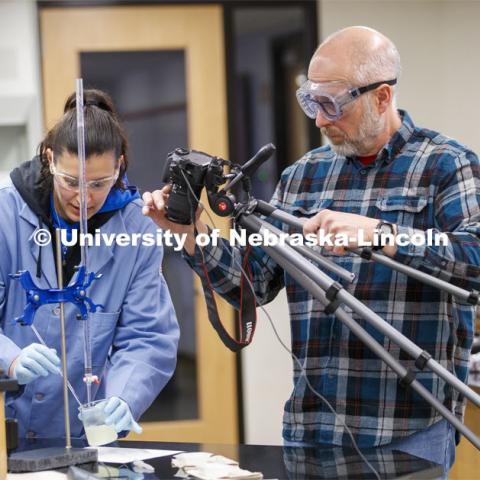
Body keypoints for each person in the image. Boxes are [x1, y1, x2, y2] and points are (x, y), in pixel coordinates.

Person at [142, 26, 480, 477]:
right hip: (312, 435)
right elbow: (253, 282)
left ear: (381, 97)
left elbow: (473, 256)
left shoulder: (444, 165)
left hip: (405, 435)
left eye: (332, 104)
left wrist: (383, 234)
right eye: (311, 102)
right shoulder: (303, 176)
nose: (319, 121)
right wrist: (191, 231)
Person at [0, 89, 179, 439]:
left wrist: (124, 397)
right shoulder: (5, 215)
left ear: (120, 166)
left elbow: (147, 336)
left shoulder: (136, 231)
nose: (83, 198)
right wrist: (10, 358)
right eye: (70, 181)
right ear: (50, 159)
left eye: (99, 183)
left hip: (78, 436)